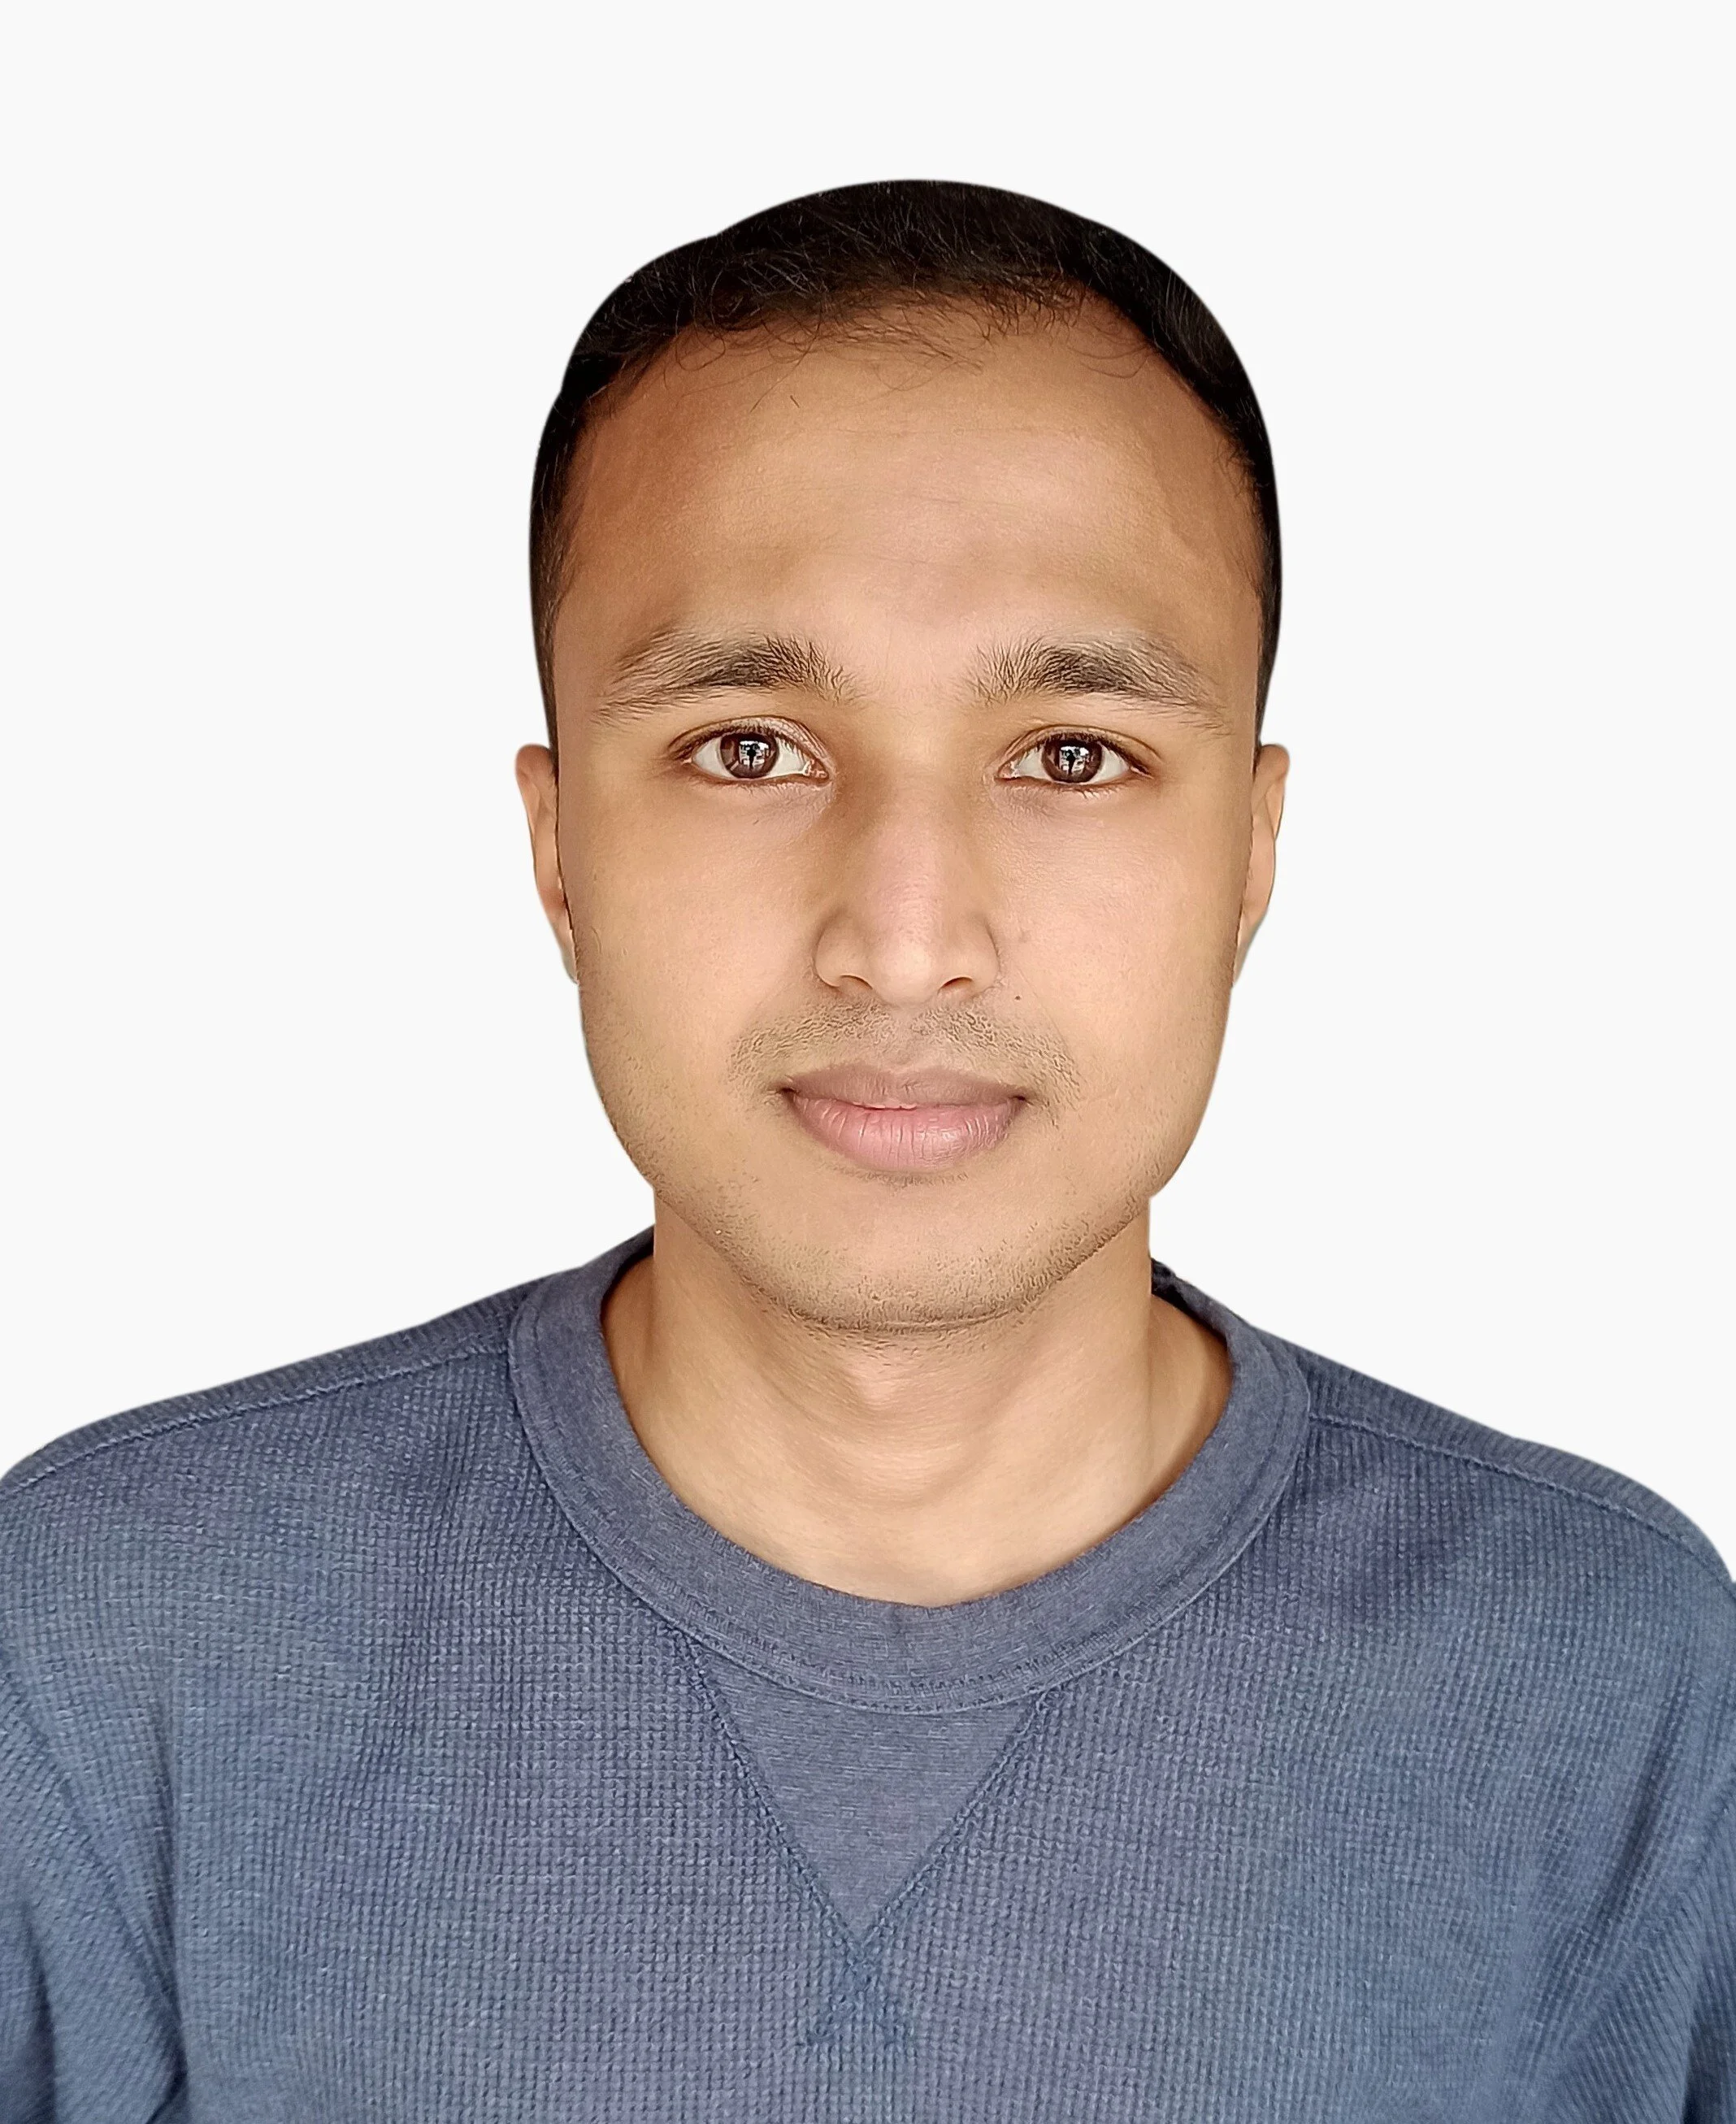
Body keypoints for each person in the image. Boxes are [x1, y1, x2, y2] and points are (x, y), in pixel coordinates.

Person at [2, 179, 1730, 2123]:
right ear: (560, 849)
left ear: (1251, 854)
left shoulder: (1613, 1687)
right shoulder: (108, 1648)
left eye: (1074, 754)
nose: (905, 941)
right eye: (749, 746)